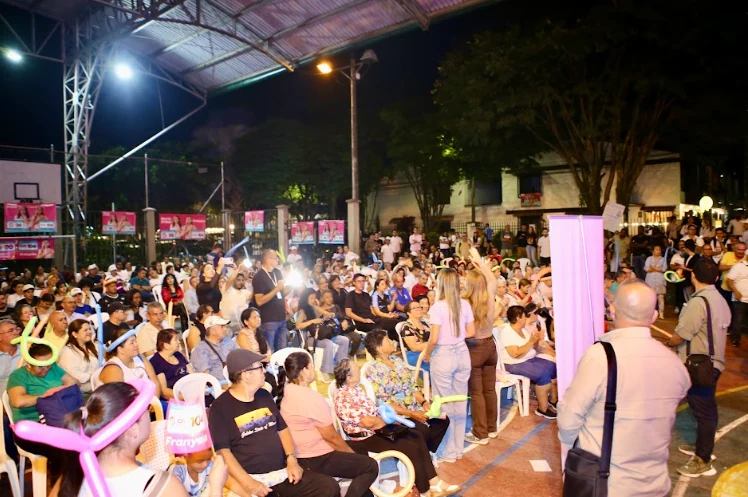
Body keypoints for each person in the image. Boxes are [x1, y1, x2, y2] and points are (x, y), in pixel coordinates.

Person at [558, 280, 691, 496]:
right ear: (654, 316)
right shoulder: (675, 364)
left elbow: (568, 419)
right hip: (655, 484)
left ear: (612, 311)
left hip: (608, 484)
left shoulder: (601, 357)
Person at [209, 349, 339, 497]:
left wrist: (291, 459)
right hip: (253, 478)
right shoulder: (220, 408)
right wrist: (248, 483)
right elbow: (223, 453)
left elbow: (282, 430)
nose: (264, 371)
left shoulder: (264, 395)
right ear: (246, 375)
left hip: (282, 472)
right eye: (260, 367)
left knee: (329, 487)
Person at [333, 358, 461, 497]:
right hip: (366, 437)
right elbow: (368, 423)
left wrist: (388, 417)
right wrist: (390, 419)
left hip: (377, 429)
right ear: (349, 377)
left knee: (416, 435)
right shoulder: (344, 398)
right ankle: (425, 490)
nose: (359, 370)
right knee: (410, 445)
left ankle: (434, 481)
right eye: (356, 369)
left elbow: (373, 413)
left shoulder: (355, 389)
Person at [52, 382, 188, 497]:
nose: (149, 413)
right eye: (147, 409)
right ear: (133, 429)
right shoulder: (166, 488)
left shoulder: (70, 481)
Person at [277, 352, 379, 497]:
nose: (314, 370)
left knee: (360, 449)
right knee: (370, 466)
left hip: (303, 451)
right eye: (312, 366)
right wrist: (351, 454)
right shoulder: (310, 397)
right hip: (314, 457)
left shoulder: (288, 389)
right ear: (305, 370)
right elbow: (331, 437)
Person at [667, 258, 731, 477]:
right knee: (705, 408)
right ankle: (704, 446)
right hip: (714, 363)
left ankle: (703, 459)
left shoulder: (698, 302)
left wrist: (670, 343)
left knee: (703, 411)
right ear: (716, 278)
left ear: (693, 275)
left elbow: (682, 334)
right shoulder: (720, 299)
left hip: (700, 366)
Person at [363, 330, 450, 453]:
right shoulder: (372, 370)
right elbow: (385, 403)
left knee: (443, 420)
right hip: (398, 416)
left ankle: (425, 450)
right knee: (422, 430)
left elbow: (412, 386)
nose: (392, 341)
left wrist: (424, 402)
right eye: (387, 340)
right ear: (379, 348)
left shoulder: (397, 361)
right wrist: (411, 414)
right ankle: (420, 452)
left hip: (414, 408)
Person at [421, 268, 472, 462]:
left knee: (444, 404)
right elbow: (471, 331)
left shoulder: (438, 307)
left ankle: (448, 452)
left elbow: (433, 338)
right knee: (460, 402)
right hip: (462, 353)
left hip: (443, 355)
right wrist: (456, 337)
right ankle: (458, 449)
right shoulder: (464, 304)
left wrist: (427, 353)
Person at [462, 250, 498, 445]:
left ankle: (480, 433)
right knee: (489, 390)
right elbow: (491, 278)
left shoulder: (465, 303)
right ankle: (491, 429)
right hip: (490, 346)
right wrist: (480, 262)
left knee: (476, 393)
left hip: (474, 348)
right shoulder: (490, 295)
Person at [500, 306, 558, 418]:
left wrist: (536, 339)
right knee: (543, 375)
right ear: (518, 318)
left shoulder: (523, 329)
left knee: (553, 367)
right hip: (514, 363)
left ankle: (553, 400)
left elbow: (533, 348)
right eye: (524, 316)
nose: (526, 318)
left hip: (529, 359)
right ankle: (542, 409)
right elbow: (515, 354)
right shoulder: (507, 332)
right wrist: (531, 341)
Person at [296, 289, 349, 383]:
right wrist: (312, 321)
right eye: (311, 298)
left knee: (344, 340)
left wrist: (329, 315)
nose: (313, 300)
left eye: (314, 298)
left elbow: (327, 314)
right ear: (305, 299)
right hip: (312, 338)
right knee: (328, 343)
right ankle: (325, 371)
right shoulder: (303, 311)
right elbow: (298, 326)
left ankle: (339, 366)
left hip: (323, 334)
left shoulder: (315, 308)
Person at [98, 327, 160, 395]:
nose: (136, 344)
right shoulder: (112, 368)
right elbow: (118, 396)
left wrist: (154, 400)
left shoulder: (140, 357)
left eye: (135, 341)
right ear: (121, 349)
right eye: (132, 343)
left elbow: (155, 383)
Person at [254, 249, 291, 352]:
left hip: (281, 318)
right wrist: (277, 289)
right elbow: (259, 301)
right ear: (268, 260)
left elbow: (281, 294)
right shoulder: (259, 277)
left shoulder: (277, 272)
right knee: (269, 350)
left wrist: (291, 286)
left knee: (282, 349)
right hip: (269, 320)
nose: (278, 260)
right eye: (276, 258)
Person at [191, 315, 236, 385]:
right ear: (212, 331)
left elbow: (239, 359)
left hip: (236, 380)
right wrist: (223, 386)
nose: (225, 329)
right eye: (222, 327)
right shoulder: (200, 349)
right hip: (219, 385)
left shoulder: (228, 341)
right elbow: (206, 377)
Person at [151, 328, 193, 400]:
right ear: (166, 345)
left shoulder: (178, 354)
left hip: (189, 389)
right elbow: (164, 391)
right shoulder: (156, 362)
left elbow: (192, 374)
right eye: (175, 339)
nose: (179, 342)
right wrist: (185, 397)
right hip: (175, 397)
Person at [58, 318, 99, 393]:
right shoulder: (67, 351)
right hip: (80, 390)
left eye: (89, 329)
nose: (89, 332)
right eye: (85, 330)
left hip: (97, 385)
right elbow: (74, 374)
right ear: (75, 334)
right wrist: (94, 377)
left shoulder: (94, 346)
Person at [726, 251, 748, 347]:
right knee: (738, 319)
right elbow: (729, 280)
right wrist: (735, 291)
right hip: (740, 299)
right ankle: (735, 339)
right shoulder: (738, 266)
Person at [644, 245, 667, 319]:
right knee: (650, 298)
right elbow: (647, 269)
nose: (658, 251)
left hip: (660, 280)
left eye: (659, 249)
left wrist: (653, 267)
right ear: (653, 251)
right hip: (650, 280)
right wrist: (657, 269)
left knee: (660, 297)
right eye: (656, 249)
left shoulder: (663, 259)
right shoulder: (649, 258)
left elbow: (664, 269)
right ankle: (650, 313)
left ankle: (661, 313)